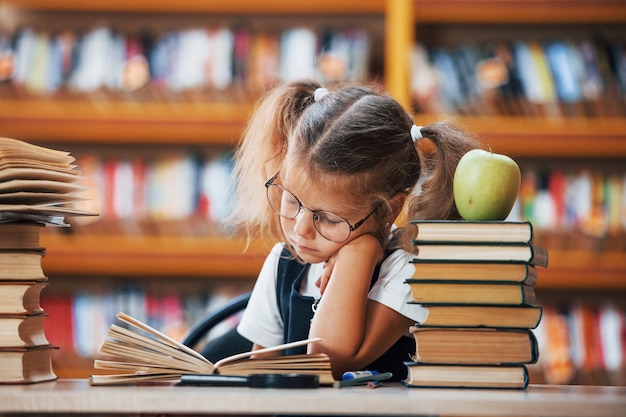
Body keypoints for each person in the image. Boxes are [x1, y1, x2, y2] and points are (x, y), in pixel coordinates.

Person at [228, 79, 481, 381]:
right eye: (292, 200)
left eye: (328, 219)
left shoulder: (406, 268)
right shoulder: (283, 263)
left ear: (389, 210)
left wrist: (360, 251)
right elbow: (259, 378)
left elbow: (328, 361)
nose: (300, 229)